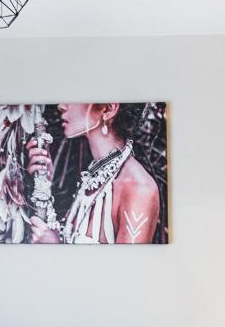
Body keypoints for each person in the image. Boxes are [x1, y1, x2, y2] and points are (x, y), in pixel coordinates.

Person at [25, 103, 160, 244]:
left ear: (108, 109)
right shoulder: (92, 175)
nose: (61, 106)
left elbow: (128, 266)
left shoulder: (139, 189)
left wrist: (56, 248)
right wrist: (45, 185)